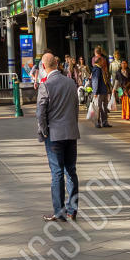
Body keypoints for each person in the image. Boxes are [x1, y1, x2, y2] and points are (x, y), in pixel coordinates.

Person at [36, 52, 80, 222]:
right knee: (71, 171)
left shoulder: (45, 85)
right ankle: (72, 210)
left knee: (56, 172)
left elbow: (40, 113)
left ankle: (59, 211)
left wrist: (43, 131)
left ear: (44, 67)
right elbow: (75, 107)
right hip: (71, 132)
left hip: (54, 135)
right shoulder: (70, 82)